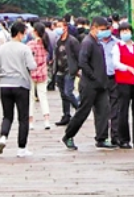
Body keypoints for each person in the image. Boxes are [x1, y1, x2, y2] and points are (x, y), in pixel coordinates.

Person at [62, 17, 118, 150]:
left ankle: (101, 138)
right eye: (102, 29)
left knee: (103, 111)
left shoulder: (97, 43)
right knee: (83, 111)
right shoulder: (88, 43)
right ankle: (68, 135)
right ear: (94, 28)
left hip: (101, 85)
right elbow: (83, 62)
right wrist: (94, 77)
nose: (104, 32)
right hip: (89, 85)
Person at [0, 22, 37, 157]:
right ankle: (21, 149)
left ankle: (3, 137)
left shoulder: (2, 48)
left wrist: (1, 78)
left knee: (7, 116)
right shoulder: (24, 49)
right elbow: (32, 66)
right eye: (24, 33)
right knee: (23, 118)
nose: (24, 36)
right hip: (21, 85)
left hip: (5, 85)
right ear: (19, 33)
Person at [112, 23, 134, 149]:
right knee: (123, 111)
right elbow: (115, 63)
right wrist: (126, 68)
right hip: (123, 82)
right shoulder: (117, 47)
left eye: (127, 31)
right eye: (123, 31)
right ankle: (124, 139)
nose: (125, 33)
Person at [52, 19, 80, 126]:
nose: (59, 28)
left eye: (60, 26)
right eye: (57, 26)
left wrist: (78, 68)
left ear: (65, 27)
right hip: (59, 70)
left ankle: (79, 109)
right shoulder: (57, 41)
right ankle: (66, 115)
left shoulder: (72, 41)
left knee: (68, 92)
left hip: (69, 70)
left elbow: (78, 55)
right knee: (63, 94)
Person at [99, 20, 121, 145]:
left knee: (115, 107)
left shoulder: (117, 43)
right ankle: (102, 135)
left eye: (106, 29)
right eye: (102, 29)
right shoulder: (96, 43)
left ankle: (115, 135)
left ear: (111, 28)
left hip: (114, 78)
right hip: (100, 79)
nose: (104, 31)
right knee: (102, 108)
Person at [28, 23, 51, 130]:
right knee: (43, 97)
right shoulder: (45, 43)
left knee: (31, 98)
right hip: (42, 73)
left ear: (35, 32)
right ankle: (46, 121)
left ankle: (30, 122)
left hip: (31, 73)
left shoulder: (30, 44)